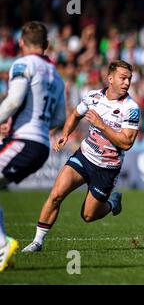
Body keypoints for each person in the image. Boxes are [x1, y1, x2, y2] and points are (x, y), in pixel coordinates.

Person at [21, 60, 140, 252]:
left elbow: (126, 143)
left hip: (107, 168)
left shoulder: (131, 108)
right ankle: (37, 242)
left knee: (88, 216)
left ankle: (111, 203)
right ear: (110, 78)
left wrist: (101, 125)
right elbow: (75, 115)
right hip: (84, 156)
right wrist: (66, 133)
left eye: (129, 79)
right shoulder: (93, 97)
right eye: (123, 78)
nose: (127, 83)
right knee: (56, 195)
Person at [0, 21, 66, 271]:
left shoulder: (23, 64)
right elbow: (59, 119)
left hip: (23, 141)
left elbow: (14, 100)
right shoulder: (57, 77)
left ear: (20, 43)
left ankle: (2, 246)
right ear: (47, 46)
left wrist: (13, 121)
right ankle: (2, 249)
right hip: (41, 147)